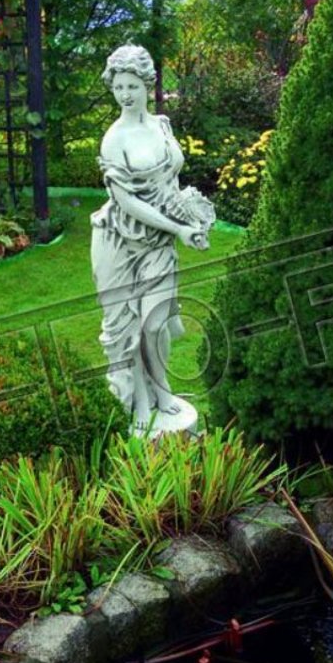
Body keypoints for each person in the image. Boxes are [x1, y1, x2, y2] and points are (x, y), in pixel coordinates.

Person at [91, 43, 213, 430]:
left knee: (155, 322)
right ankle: (141, 402)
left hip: (159, 241)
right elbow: (126, 202)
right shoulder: (114, 139)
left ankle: (162, 388)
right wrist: (178, 228)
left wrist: (190, 217)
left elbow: (169, 182)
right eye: (118, 87)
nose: (125, 95)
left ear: (147, 84)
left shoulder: (162, 125)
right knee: (129, 326)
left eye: (132, 86)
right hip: (120, 242)